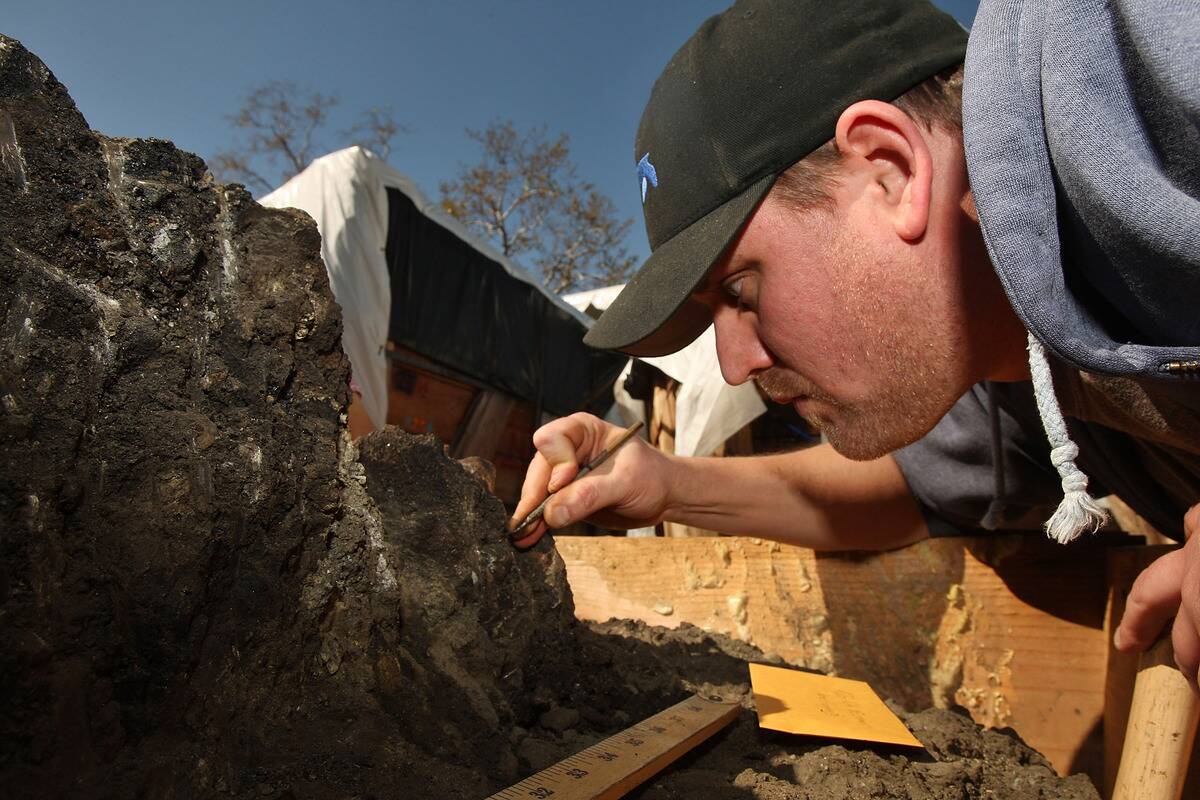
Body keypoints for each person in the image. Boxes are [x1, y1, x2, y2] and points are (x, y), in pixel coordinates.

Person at [510, 0, 1200, 688]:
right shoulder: (1002, 368)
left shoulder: (1117, 61)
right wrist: (668, 484)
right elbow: (909, 490)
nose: (734, 362)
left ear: (889, 171)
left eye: (741, 292)